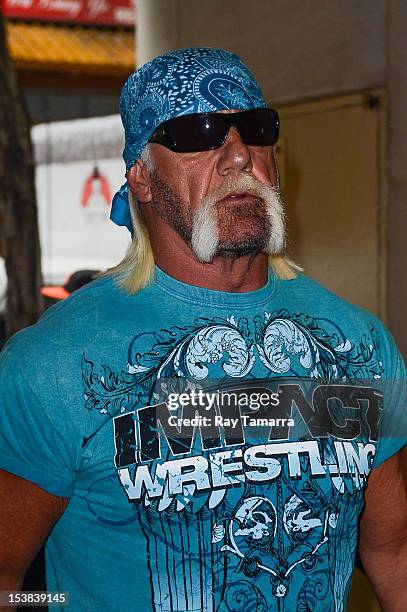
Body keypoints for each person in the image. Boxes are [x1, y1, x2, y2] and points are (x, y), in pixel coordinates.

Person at [0, 48, 405, 612]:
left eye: (256, 130)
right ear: (141, 177)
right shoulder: (56, 363)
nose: (238, 155)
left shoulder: (357, 345)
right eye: (198, 133)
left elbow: (394, 553)